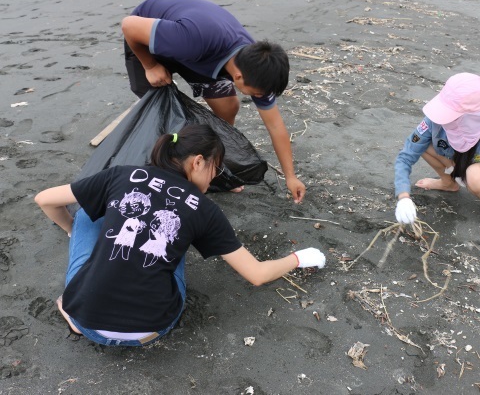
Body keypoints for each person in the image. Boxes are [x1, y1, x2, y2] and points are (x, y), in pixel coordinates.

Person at [34, 124, 326, 346]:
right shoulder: (204, 209)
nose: (214, 178)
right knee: (174, 235)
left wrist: (74, 231)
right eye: (216, 168)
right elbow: (257, 274)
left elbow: (45, 199)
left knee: (88, 211)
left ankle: (72, 308)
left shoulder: (121, 175)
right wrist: (300, 258)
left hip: (88, 324)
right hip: (153, 328)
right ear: (198, 162)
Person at [121, 0, 305, 202]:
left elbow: (275, 125)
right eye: (257, 94)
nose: (259, 97)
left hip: (199, 52)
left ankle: (211, 165)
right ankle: (173, 170)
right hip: (147, 37)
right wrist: (151, 65)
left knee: (228, 106)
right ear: (238, 76)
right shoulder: (190, 41)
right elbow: (129, 25)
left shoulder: (257, 66)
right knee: (162, 110)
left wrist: (291, 176)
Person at [394, 73, 480, 236]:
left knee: (474, 175)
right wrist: (403, 196)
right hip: (458, 164)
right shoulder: (434, 121)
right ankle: (448, 183)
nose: (444, 119)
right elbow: (407, 154)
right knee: (423, 145)